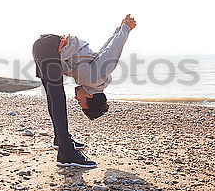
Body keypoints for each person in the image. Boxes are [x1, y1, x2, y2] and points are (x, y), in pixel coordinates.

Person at [32, 14, 137, 167]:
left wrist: (119, 28)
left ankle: (61, 140)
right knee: (57, 98)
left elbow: (104, 50)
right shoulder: (95, 77)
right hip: (48, 48)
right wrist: (125, 29)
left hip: (45, 47)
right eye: (81, 101)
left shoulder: (94, 78)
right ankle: (65, 153)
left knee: (52, 96)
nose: (76, 99)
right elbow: (113, 50)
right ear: (90, 95)